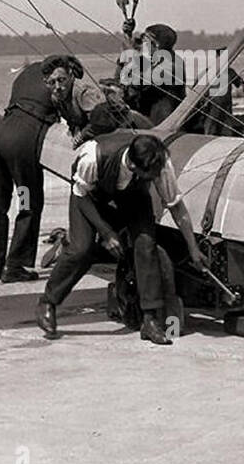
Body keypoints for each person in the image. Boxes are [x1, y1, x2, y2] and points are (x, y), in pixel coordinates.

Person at [35, 132, 207, 345]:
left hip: (132, 198)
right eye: (151, 176)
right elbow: (80, 194)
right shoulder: (93, 155)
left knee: (146, 245)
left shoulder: (159, 163)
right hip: (90, 199)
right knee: (82, 248)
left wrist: (193, 248)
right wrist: (107, 233)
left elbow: (176, 207)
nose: (156, 178)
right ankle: (48, 301)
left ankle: (150, 320)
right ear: (135, 167)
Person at [0, 58, 57, 284]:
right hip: (21, 141)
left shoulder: (24, 76)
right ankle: (15, 265)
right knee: (27, 201)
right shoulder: (57, 79)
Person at [43, 54, 106, 145]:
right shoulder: (56, 98)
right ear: (46, 83)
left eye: (61, 80)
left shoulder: (83, 93)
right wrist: (76, 129)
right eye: (52, 82)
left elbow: (100, 120)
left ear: (71, 76)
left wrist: (82, 135)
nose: (57, 87)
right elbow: (72, 120)